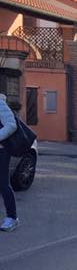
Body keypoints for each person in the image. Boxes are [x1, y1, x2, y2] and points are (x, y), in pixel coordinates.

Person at [0, 92, 19, 232]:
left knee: (3, 184)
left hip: (1, 151)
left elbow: (12, 125)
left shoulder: (0, 103)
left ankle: (12, 218)